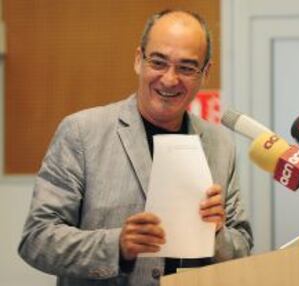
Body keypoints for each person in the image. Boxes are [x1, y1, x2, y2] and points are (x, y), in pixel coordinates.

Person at [18, 9, 253, 286]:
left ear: (206, 73)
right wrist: (116, 246)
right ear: (138, 59)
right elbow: (36, 239)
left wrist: (218, 233)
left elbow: (243, 247)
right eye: (158, 62)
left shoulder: (220, 144)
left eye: (187, 68)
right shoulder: (82, 133)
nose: (169, 79)